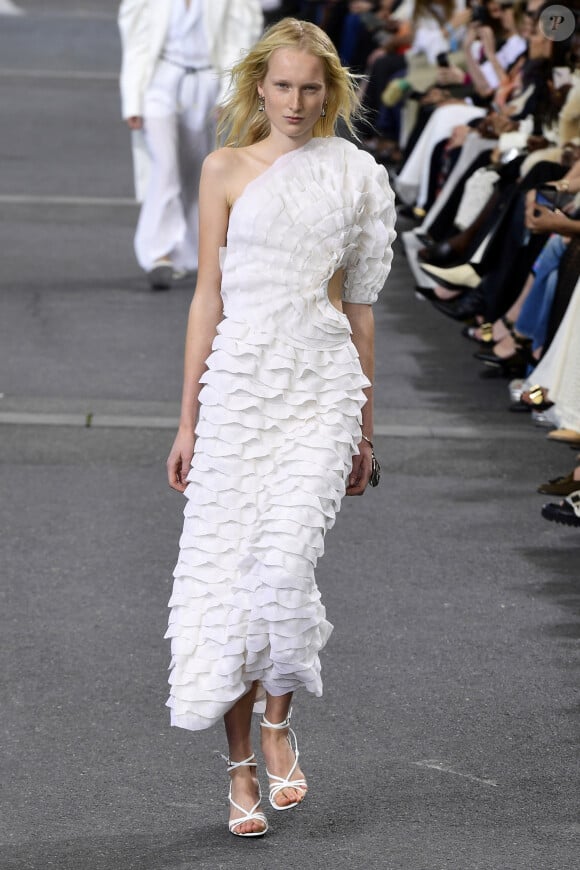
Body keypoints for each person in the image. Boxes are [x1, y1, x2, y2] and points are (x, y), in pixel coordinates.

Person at [165, 17, 396, 837]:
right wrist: (187, 418)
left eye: (311, 87)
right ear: (258, 87)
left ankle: (276, 723)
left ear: (330, 92)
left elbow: (360, 307)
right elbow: (207, 298)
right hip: (237, 389)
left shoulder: (356, 177)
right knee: (227, 579)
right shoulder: (224, 169)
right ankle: (237, 776)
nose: (297, 102)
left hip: (321, 384)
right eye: (283, 85)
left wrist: (367, 429)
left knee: (284, 561)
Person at [118, 0, 264, 290]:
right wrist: (132, 98)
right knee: (165, 165)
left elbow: (241, 38)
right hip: (158, 82)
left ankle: (186, 253)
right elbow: (136, 42)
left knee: (197, 170)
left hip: (208, 84)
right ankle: (157, 254)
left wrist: (229, 93)